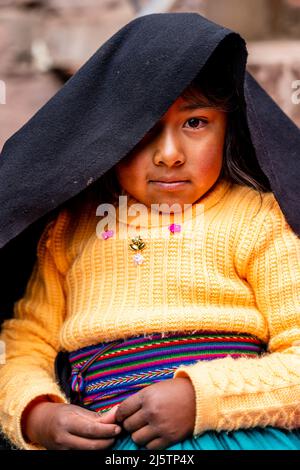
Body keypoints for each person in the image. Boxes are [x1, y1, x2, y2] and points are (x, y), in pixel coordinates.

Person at [0, 12, 300, 451]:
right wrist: (38, 414)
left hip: (239, 438)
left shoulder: (257, 221)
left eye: (195, 122)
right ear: (108, 137)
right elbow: (23, 348)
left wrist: (200, 399)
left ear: (228, 128)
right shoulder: (68, 233)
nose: (170, 155)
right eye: (142, 130)